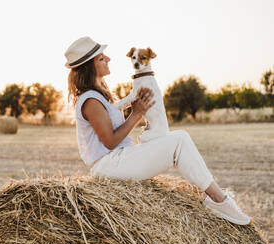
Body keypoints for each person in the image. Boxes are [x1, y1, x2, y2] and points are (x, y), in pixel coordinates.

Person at [64, 36, 250, 225]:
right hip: (109, 165)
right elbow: (110, 142)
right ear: (89, 66)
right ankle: (220, 200)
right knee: (180, 140)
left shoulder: (100, 96)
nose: (109, 59)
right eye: (102, 58)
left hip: (118, 159)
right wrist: (136, 114)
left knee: (177, 139)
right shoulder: (91, 100)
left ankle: (218, 198)